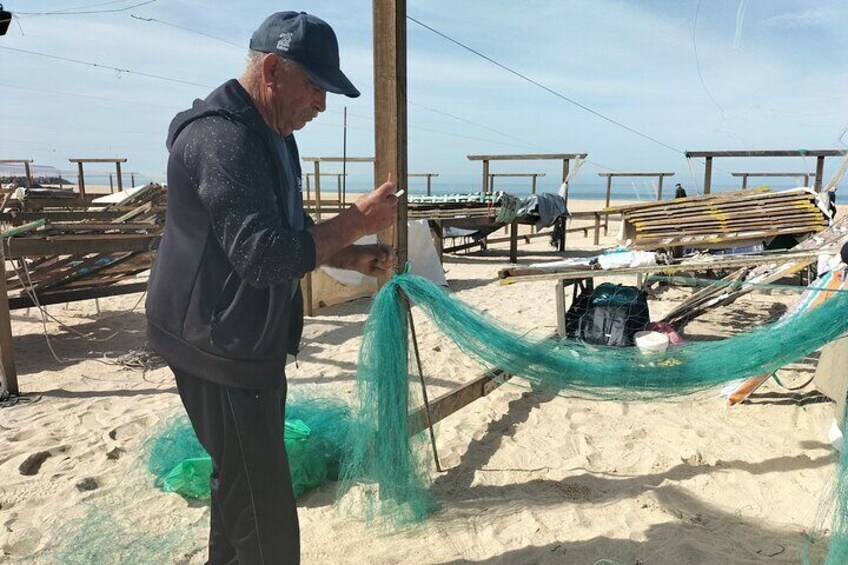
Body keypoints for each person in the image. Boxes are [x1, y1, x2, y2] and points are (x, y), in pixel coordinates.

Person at [146, 11, 398, 564]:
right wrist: (356, 220)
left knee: (240, 480)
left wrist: (350, 252)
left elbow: (283, 232)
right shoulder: (222, 139)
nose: (322, 103)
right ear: (272, 70)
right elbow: (264, 258)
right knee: (266, 513)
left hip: (242, 337)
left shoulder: (273, 132)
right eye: (314, 85)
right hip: (215, 345)